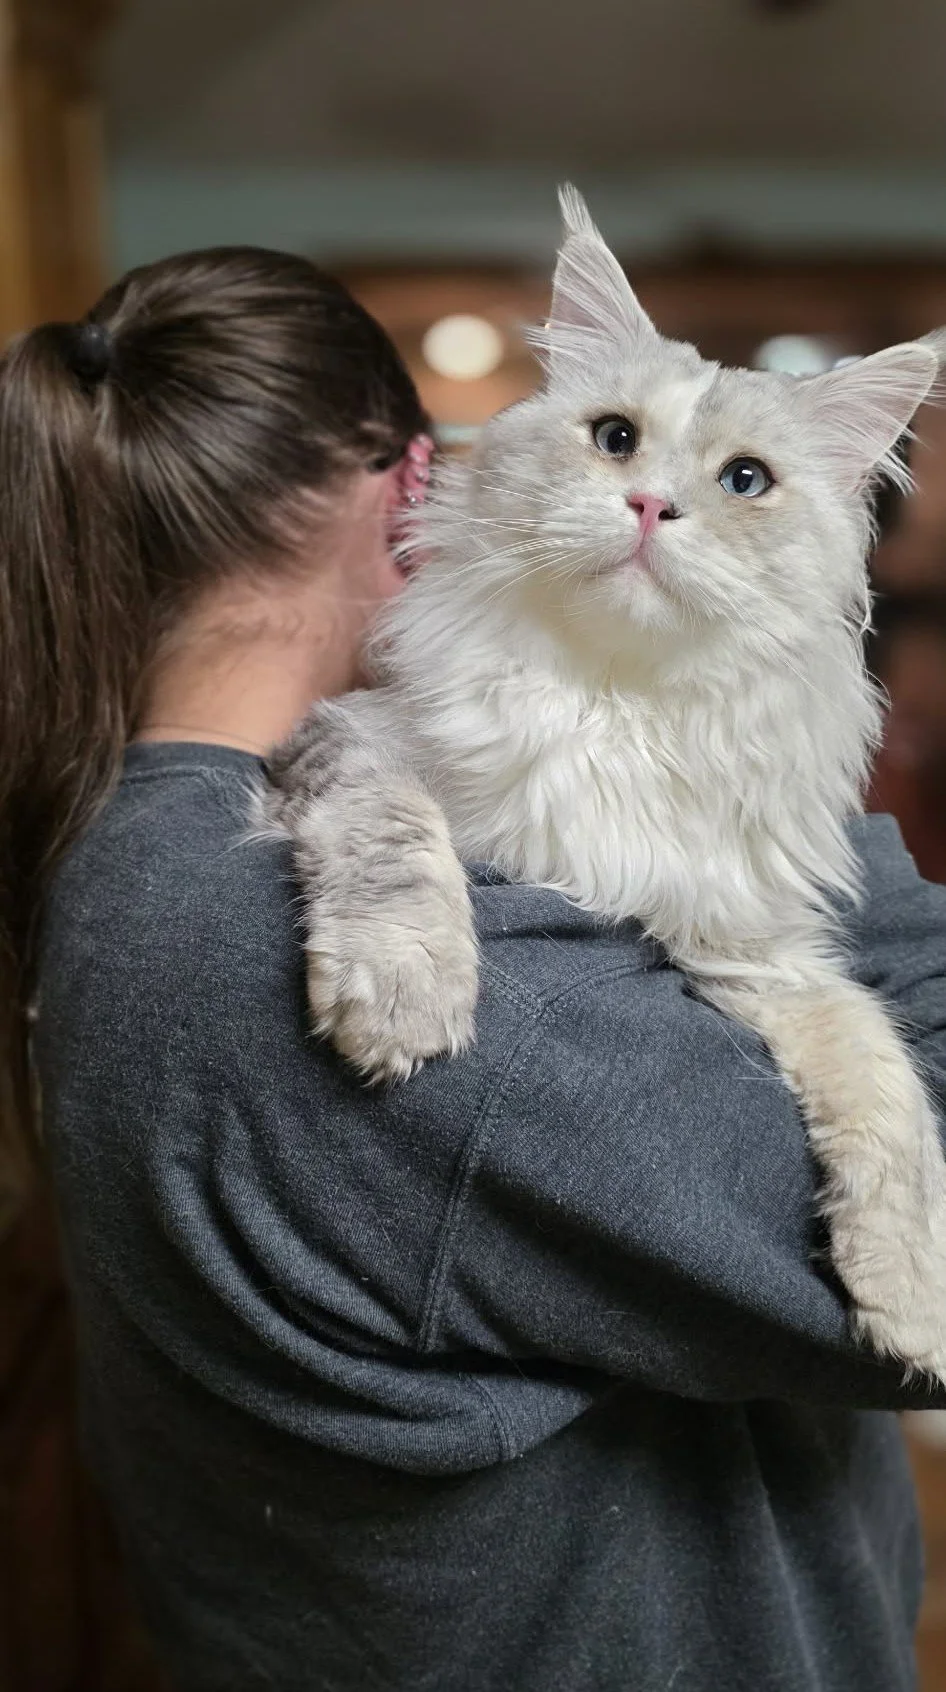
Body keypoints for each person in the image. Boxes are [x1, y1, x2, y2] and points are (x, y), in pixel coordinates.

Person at [1, 250, 945, 1692]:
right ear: (415, 494)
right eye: (611, 439)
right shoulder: (417, 981)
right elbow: (898, 1299)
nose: (648, 494)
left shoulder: (139, 848)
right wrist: (813, 812)